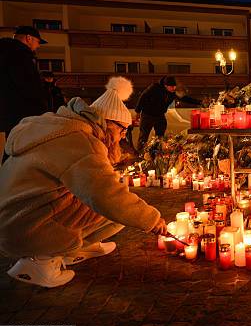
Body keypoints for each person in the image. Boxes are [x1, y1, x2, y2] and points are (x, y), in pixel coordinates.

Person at [0, 77, 166, 288]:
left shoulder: (65, 128)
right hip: (23, 226)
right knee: (117, 206)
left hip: (15, 216)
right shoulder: (79, 140)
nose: (122, 137)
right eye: (121, 130)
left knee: (118, 210)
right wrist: (152, 220)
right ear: (107, 123)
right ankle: (39, 263)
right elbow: (105, 194)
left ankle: (76, 250)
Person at [0, 26, 48, 163]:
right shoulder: (19, 54)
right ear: (28, 38)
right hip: (22, 112)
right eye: (37, 42)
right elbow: (28, 84)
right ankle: (11, 180)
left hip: (10, 111)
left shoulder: (6, 52)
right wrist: (41, 109)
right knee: (20, 149)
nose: (37, 46)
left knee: (14, 146)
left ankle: (9, 178)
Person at [135, 76, 202, 150]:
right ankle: (140, 153)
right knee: (144, 135)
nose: (173, 88)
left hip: (160, 115)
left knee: (160, 135)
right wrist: (138, 111)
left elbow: (184, 98)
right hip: (147, 114)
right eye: (171, 87)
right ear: (165, 86)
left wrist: (199, 102)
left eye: (174, 86)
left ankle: (157, 151)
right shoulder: (154, 88)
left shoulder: (172, 92)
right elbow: (143, 97)